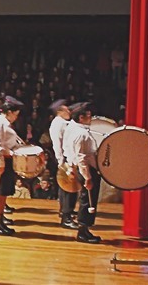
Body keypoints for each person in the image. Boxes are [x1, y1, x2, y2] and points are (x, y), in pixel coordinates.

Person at [64, 102, 102, 244]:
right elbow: (82, 158)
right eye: (88, 115)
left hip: (82, 168)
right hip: (87, 170)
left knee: (86, 200)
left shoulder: (73, 129)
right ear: (81, 118)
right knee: (87, 201)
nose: (90, 117)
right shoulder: (81, 134)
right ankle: (83, 232)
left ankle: (85, 230)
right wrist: (88, 177)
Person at [0, 96, 23, 236]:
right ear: (9, 112)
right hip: (0, 162)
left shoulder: (5, 123)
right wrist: (0, 164)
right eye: (15, 114)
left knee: (3, 194)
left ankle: (0, 220)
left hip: (7, 160)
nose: (16, 117)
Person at [49, 99, 78, 229]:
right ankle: (66, 216)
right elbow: (57, 144)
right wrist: (61, 162)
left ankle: (65, 211)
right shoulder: (57, 125)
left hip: (65, 157)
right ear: (59, 111)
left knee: (66, 187)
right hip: (64, 158)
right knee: (68, 187)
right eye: (67, 110)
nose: (69, 112)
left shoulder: (63, 123)